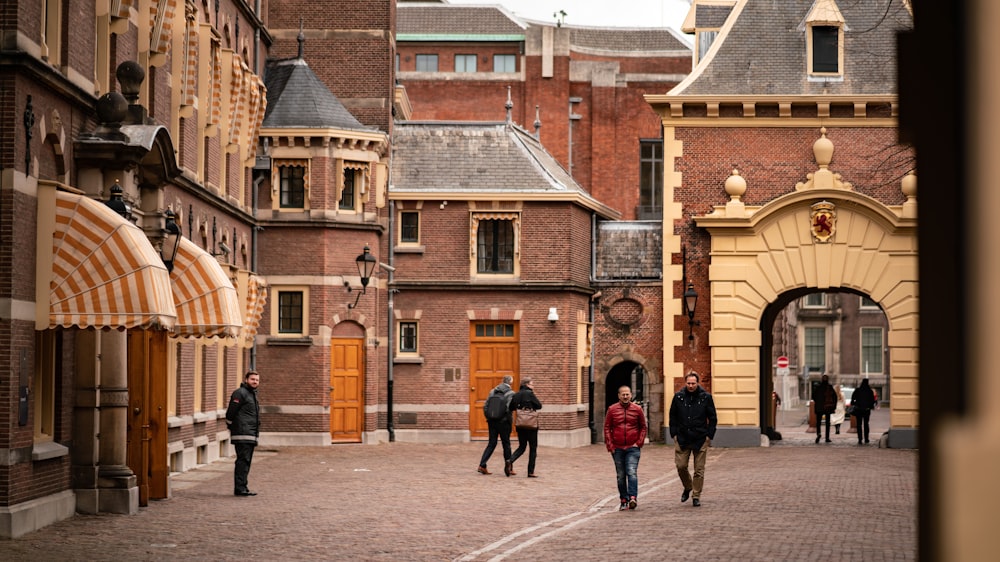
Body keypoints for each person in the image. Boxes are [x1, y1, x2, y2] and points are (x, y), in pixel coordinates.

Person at [669, 371, 717, 508]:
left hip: (700, 437)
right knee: (681, 466)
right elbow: (673, 416)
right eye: (688, 383)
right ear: (685, 383)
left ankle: (696, 495)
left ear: (697, 383)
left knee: (699, 470)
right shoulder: (678, 397)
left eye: (693, 383)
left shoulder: (706, 397)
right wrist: (674, 434)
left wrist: (709, 435)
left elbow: (713, 418)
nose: (691, 385)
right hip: (682, 437)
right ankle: (688, 486)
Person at [604, 385, 647, 511]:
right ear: (619, 396)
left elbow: (643, 427)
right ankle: (624, 499)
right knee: (621, 475)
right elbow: (607, 428)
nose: (625, 396)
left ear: (631, 395)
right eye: (623, 394)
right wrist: (610, 445)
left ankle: (633, 497)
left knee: (631, 471)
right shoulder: (612, 410)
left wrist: (639, 443)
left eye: (627, 394)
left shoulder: (637, 409)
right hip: (617, 447)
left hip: (632, 447)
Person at [226, 370, 261, 496]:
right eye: (252, 379)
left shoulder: (252, 394)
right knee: (243, 461)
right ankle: (240, 488)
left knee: (246, 461)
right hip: (243, 433)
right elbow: (231, 412)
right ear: (246, 380)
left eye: (257, 380)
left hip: (250, 434)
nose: (255, 382)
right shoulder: (240, 393)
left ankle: (243, 487)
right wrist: (230, 424)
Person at [477, 375, 514, 475]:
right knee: (506, 444)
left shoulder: (492, 391)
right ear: (510, 382)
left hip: (492, 421)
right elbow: (509, 409)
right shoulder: (510, 393)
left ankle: (482, 465)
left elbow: (486, 406)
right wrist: (509, 421)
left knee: (491, 443)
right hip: (504, 423)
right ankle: (509, 467)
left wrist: (489, 417)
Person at [507, 377, 542, 478]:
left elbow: (511, 407)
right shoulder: (530, 394)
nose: (533, 386)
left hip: (521, 424)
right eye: (532, 384)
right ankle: (530, 471)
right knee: (533, 448)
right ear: (527, 385)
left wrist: (520, 407)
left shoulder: (517, 394)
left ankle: (510, 460)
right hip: (531, 424)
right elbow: (539, 405)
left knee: (522, 446)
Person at [851, 378, 878, 444]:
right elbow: (872, 400)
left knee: (859, 425)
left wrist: (855, 404)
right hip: (866, 410)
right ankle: (866, 438)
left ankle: (860, 439)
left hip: (859, 410)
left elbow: (853, 398)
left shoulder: (858, 390)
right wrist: (870, 406)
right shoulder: (869, 391)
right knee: (866, 424)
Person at [811, 374, 837, 443]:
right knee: (827, 423)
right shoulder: (830, 387)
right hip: (827, 407)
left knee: (818, 422)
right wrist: (834, 407)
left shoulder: (818, 387)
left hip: (819, 408)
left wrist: (818, 402)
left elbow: (813, 396)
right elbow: (835, 397)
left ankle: (818, 433)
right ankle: (827, 437)